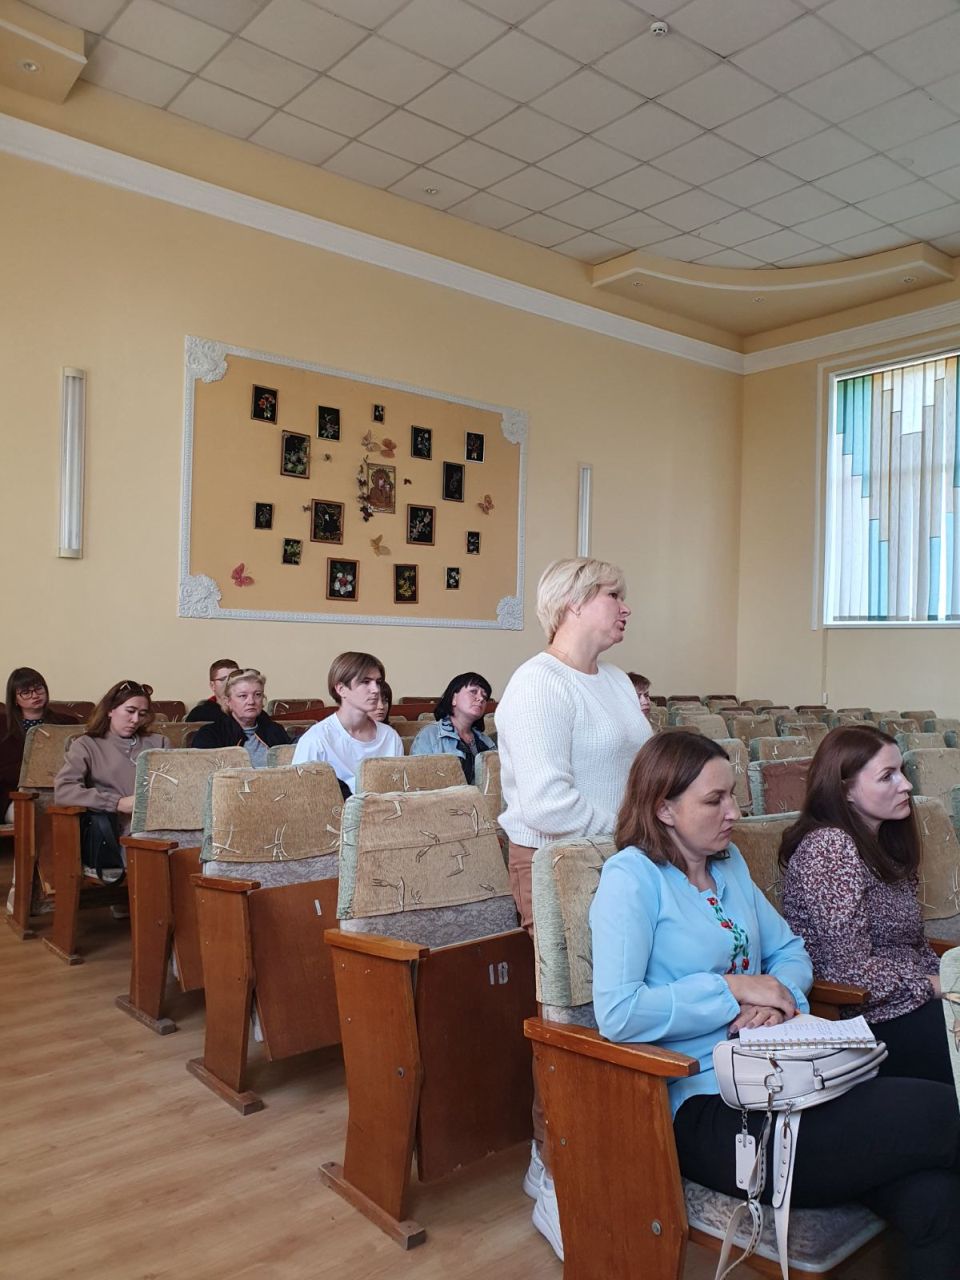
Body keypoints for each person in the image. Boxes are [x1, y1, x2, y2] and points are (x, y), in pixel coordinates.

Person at [591, 730, 960, 1280]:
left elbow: (791, 951)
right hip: (712, 1108)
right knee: (943, 1112)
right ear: (664, 809)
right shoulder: (632, 878)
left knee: (936, 1201)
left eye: (732, 795)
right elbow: (619, 1012)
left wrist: (776, 996)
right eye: (714, 800)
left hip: (790, 1073)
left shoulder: (727, 865)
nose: (734, 813)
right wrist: (735, 990)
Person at [495, 557, 652, 1258]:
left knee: (622, 1005)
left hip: (624, 860)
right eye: (614, 595)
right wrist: (636, 836)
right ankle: (552, 1164)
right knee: (572, 1014)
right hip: (559, 864)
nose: (625, 608)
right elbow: (547, 803)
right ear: (575, 602)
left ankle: (613, 1149)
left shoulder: (614, 680)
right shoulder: (537, 684)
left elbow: (643, 770)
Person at [779, 723, 951, 1085]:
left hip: (911, 1000)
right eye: (888, 776)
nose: (906, 785)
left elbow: (914, 945)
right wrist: (936, 985)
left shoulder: (884, 843)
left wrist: (951, 980)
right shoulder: (829, 847)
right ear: (846, 791)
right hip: (868, 1019)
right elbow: (849, 971)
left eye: (902, 771)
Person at [54, 680, 169, 838]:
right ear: (110, 710)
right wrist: (116, 803)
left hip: (162, 824)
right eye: (130, 711)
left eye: (142, 714)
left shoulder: (159, 742)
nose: (136, 719)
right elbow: (64, 791)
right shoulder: (86, 745)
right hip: (118, 832)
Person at [292, 652, 402, 795]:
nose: (376, 690)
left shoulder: (390, 737)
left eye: (378, 682)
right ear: (341, 689)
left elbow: (399, 794)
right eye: (365, 682)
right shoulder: (315, 740)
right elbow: (301, 796)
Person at [1, 667, 78, 822]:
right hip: (15, 794)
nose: (35, 695)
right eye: (26, 692)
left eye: (38, 689)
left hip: (60, 789)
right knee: (27, 815)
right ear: (15, 698)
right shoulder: (2, 725)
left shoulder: (67, 722)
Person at [410, 673, 495, 784]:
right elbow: (418, 783)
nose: (481, 698)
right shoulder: (429, 736)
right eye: (473, 692)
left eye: (485, 696)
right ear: (453, 698)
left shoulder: (487, 742)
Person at [192, 669, 288, 766]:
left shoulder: (276, 731)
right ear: (228, 701)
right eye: (243, 696)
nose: (251, 701)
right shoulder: (209, 734)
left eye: (257, 695)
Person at [184, 658, 239, 722]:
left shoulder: (247, 708)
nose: (229, 683)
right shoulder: (200, 714)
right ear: (212, 685)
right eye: (223, 679)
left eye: (235, 678)